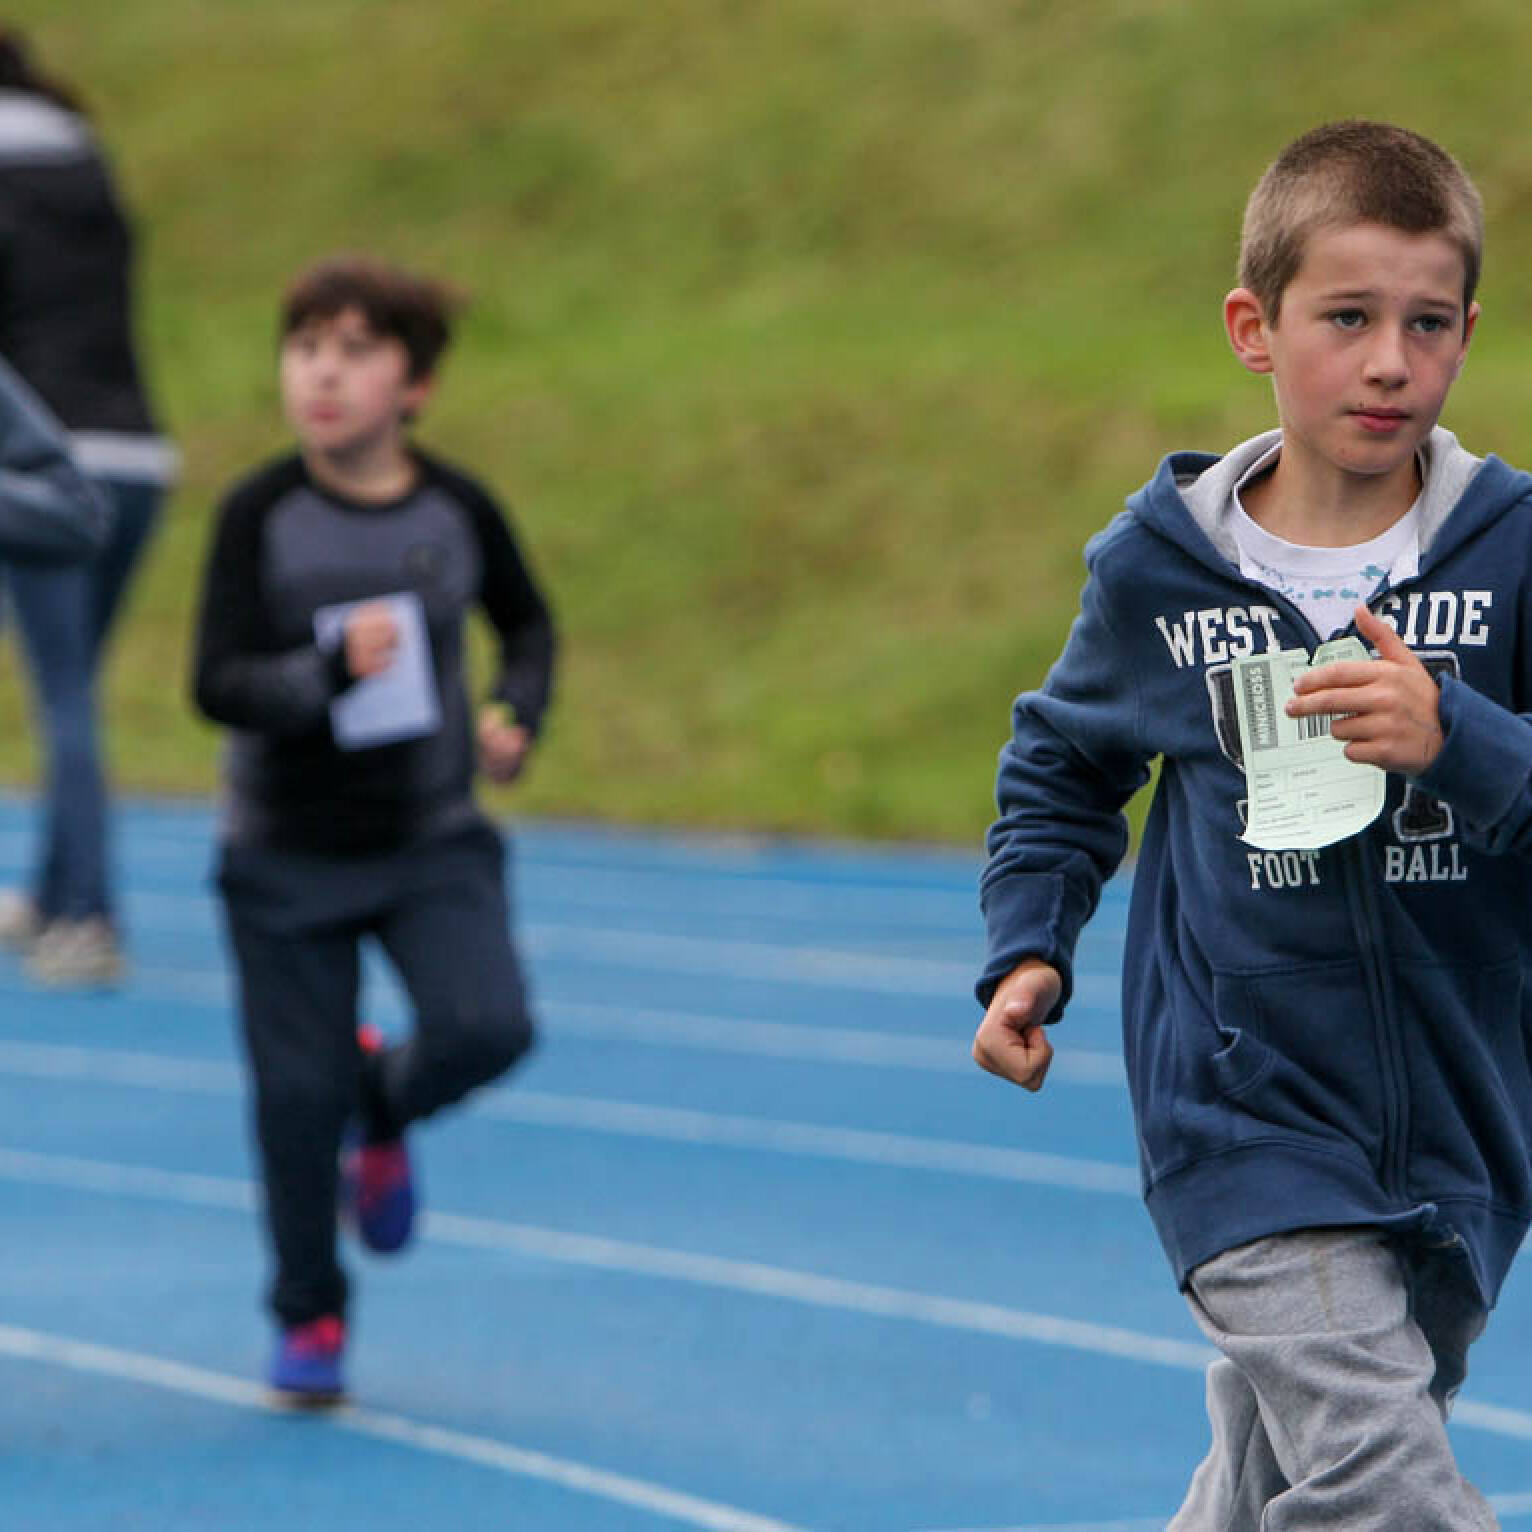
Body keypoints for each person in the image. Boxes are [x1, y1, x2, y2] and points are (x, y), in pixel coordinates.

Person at [973, 121, 1531, 1529]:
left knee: (1286, 1473)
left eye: (1426, 323)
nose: (1389, 361)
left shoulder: (1513, 553)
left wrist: (1455, 739)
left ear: (1467, 334)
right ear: (1253, 329)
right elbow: (1063, 763)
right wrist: (1029, 945)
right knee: (1381, 1481)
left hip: (1463, 1111)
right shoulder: (1162, 572)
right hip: (1244, 1112)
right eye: (1346, 319)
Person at [191, 254, 555, 1405]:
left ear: (416, 384)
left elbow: (527, 625)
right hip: (283, 853)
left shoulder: (456, 509)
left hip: (427, 836)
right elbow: (215, 682)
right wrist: (323, 672)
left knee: (489, 1025)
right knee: (294, 1099)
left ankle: (383, 1101)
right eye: (304, 349)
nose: (322, 374)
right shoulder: (259, 512)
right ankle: (308, 1312)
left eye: (354, 352)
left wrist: (515, 712)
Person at [0, 29, 177, 987]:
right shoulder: (83, 158)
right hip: (141, 455)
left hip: (46, 466)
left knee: (63, 694)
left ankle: (89, 915)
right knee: (74, 689)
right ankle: (52, 890)